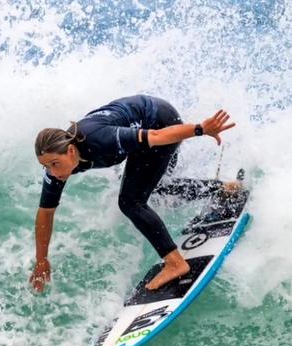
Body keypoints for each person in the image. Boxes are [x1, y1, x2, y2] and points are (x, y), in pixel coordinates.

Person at [30, 95, 237, 293]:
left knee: (131, 201)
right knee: (155, 187)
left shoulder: (100, 140)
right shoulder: (58, 168)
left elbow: (155, 136)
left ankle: (175, 263)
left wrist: (201, 129)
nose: (52, 172)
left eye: (54, 164)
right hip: (143, 131)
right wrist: (41, 260)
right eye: (46, 166)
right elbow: (45, 212)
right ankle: (223, 188)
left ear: (71, 151)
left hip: (160, 121)